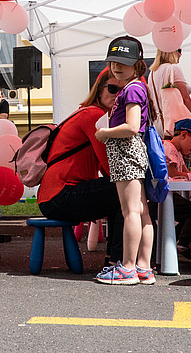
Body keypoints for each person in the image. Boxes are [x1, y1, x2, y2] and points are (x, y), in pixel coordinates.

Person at [38, 67, 126, 264]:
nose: (118, 95)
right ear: (99, 89)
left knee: (118, 192)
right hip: (61, 195)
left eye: (123, 91)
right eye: (112, 89)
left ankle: (115, 259)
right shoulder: (95, 115)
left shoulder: (87, 112)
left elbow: (105, 168)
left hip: (53, 196)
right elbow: (110, 166)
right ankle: (118, 260)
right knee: (124, 190)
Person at [94, 36, 155, 285]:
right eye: (113, 62)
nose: (117, 67)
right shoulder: (136, 87)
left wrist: (104, 133)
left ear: (137, 64)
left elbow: (131, 127)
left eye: (123, 62)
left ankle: (128, 268)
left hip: (126, 151)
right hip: (131, 152)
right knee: (141, 212)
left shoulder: (132, 88)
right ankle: (142, 268)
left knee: (130, 211)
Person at [161, 118, 191, 258]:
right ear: (183, 135)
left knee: (190, 211)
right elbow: (171, 173)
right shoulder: (168, 147)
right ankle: (182, 244)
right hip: (162, 195)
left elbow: (184, 172)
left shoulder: (177, 152)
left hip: (167, 195)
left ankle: (172, 242)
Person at [147, 49, 191, 139]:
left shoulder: (152, 73)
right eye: (179, 50)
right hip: (175, 124)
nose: (181, 54)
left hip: (158, 123)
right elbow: (185, 97)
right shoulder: (173, 68)